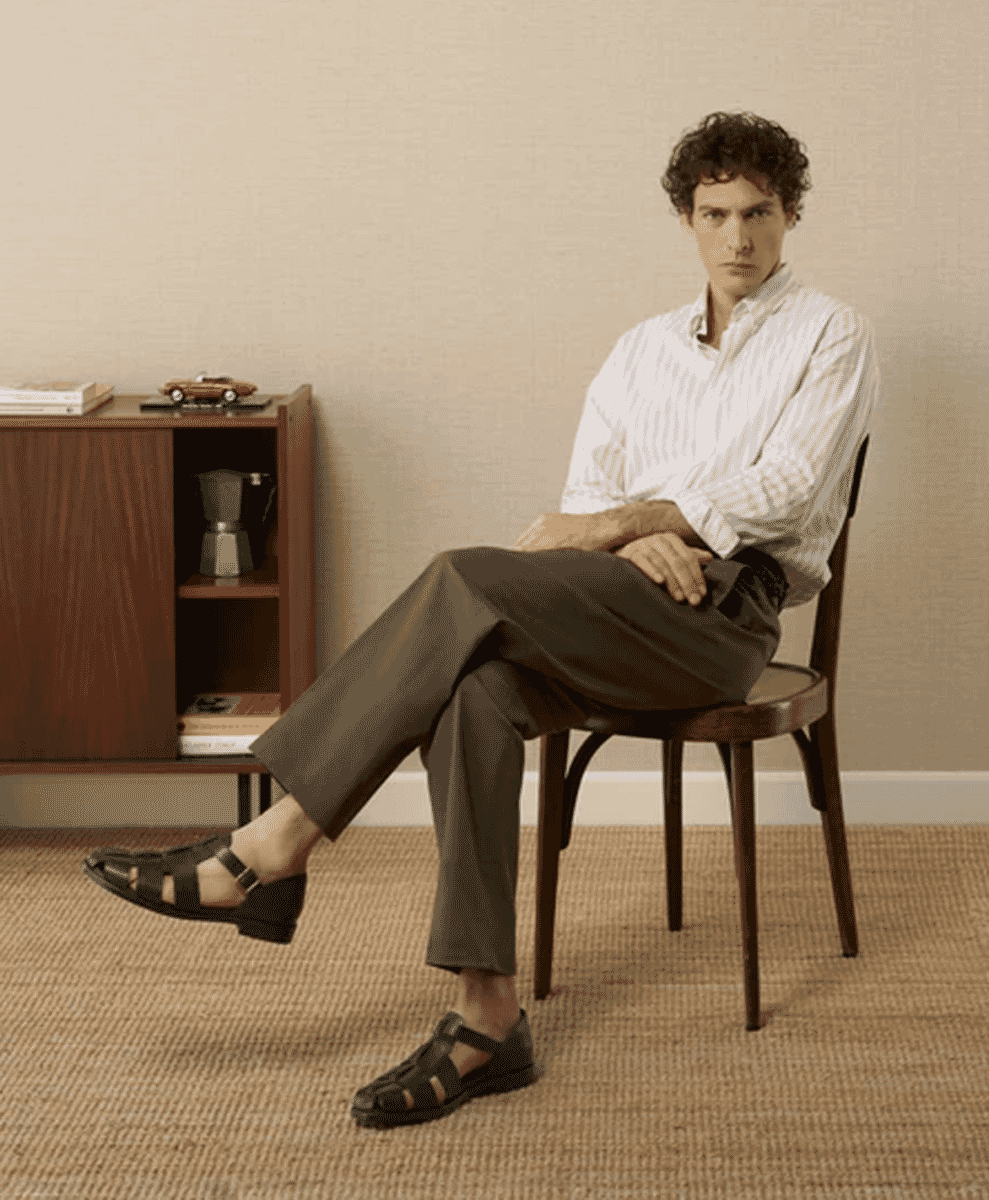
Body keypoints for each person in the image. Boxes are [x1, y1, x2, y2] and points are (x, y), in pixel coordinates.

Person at [83, 111, 880, 1129]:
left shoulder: (831, 334)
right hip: (621, 597)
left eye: (758, 214)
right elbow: (585, 492)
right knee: (475, 692)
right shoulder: (639, 352)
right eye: (715, 214)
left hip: (723, 618)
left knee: (466, 576)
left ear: (790, 216)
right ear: (685, 220)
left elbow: (784, 488)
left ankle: (272, 843)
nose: (737, 239)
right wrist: (625, 533)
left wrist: (632, 516)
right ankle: (485, 1018)